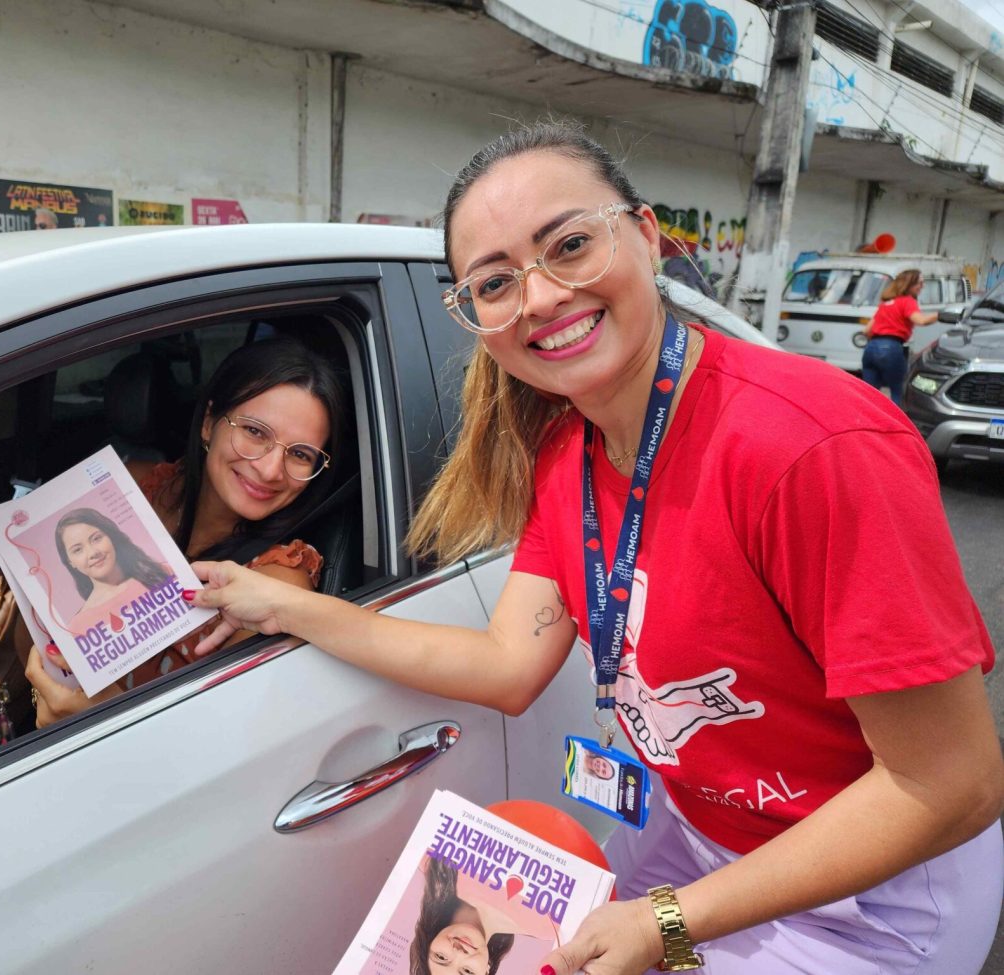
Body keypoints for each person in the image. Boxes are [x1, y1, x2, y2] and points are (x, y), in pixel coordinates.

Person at [188, 121, 1004, 974]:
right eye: (495, 282)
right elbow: (507, 664)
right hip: (695, 840)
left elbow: (948, 783)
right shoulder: (566, 458)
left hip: (869, 899)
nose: (538, 298)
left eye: (569, 244)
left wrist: (667, 921)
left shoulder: (809, 446)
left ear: (646, 237)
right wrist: (285, 603)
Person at [25, 335, 345, 726]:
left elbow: (225, 737)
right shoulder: (126, 493)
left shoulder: (278, 584)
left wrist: (100, 721)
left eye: (300, 454)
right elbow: (28, 637)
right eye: (256, 432)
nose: (270, 470)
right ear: (209, 424)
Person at [53, 508, 171, 634]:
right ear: (70, 562)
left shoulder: (161, 572)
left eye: (96, 538)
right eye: (77, 550)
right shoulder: (76, 627)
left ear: (111, 537)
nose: (93, 553)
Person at [408, 857, 515, 975]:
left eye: (441, 957)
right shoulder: (537, 925)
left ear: (429, 942)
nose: (459, 953)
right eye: (467, 971)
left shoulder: (431, 860)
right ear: (486, 970)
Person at [861, 268, 939, 408]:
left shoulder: (886, 304)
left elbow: (867, 330)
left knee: (869, 395)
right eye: (919, 283)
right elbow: (920, 321)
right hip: (891, 347)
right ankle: (896, 426)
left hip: (871, 349)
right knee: (899, 393)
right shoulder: (907, 301)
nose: (922, 286)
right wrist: (940, 315)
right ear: (908, 284)